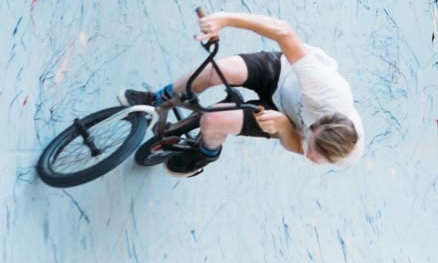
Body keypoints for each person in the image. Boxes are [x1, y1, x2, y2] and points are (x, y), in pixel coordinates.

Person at [126, 9, 365, 177]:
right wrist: (225, 19)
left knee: (213, 121)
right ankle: (156, 101)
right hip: (281, 74)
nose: (310, 157)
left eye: (321, 159)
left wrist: (284, 127)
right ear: (314, 126)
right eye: (312, 148)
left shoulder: (342, 153)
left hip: (284, 118)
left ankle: (205, 152)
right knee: (215, 72)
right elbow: (283, 31)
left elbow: (296, 145)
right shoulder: (323, 88)